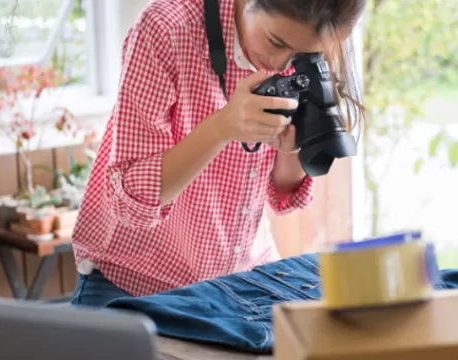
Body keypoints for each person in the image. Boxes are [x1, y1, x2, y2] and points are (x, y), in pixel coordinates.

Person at [70, 0, 366, 307]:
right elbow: (130, 200)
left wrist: (291, 146)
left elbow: (283, 195)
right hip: (133, 280)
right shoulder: (167, 29)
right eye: (277, 42)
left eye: (302, 55)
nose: (281, 65)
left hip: (236, 279)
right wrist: (223, 127)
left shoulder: (307, 45)